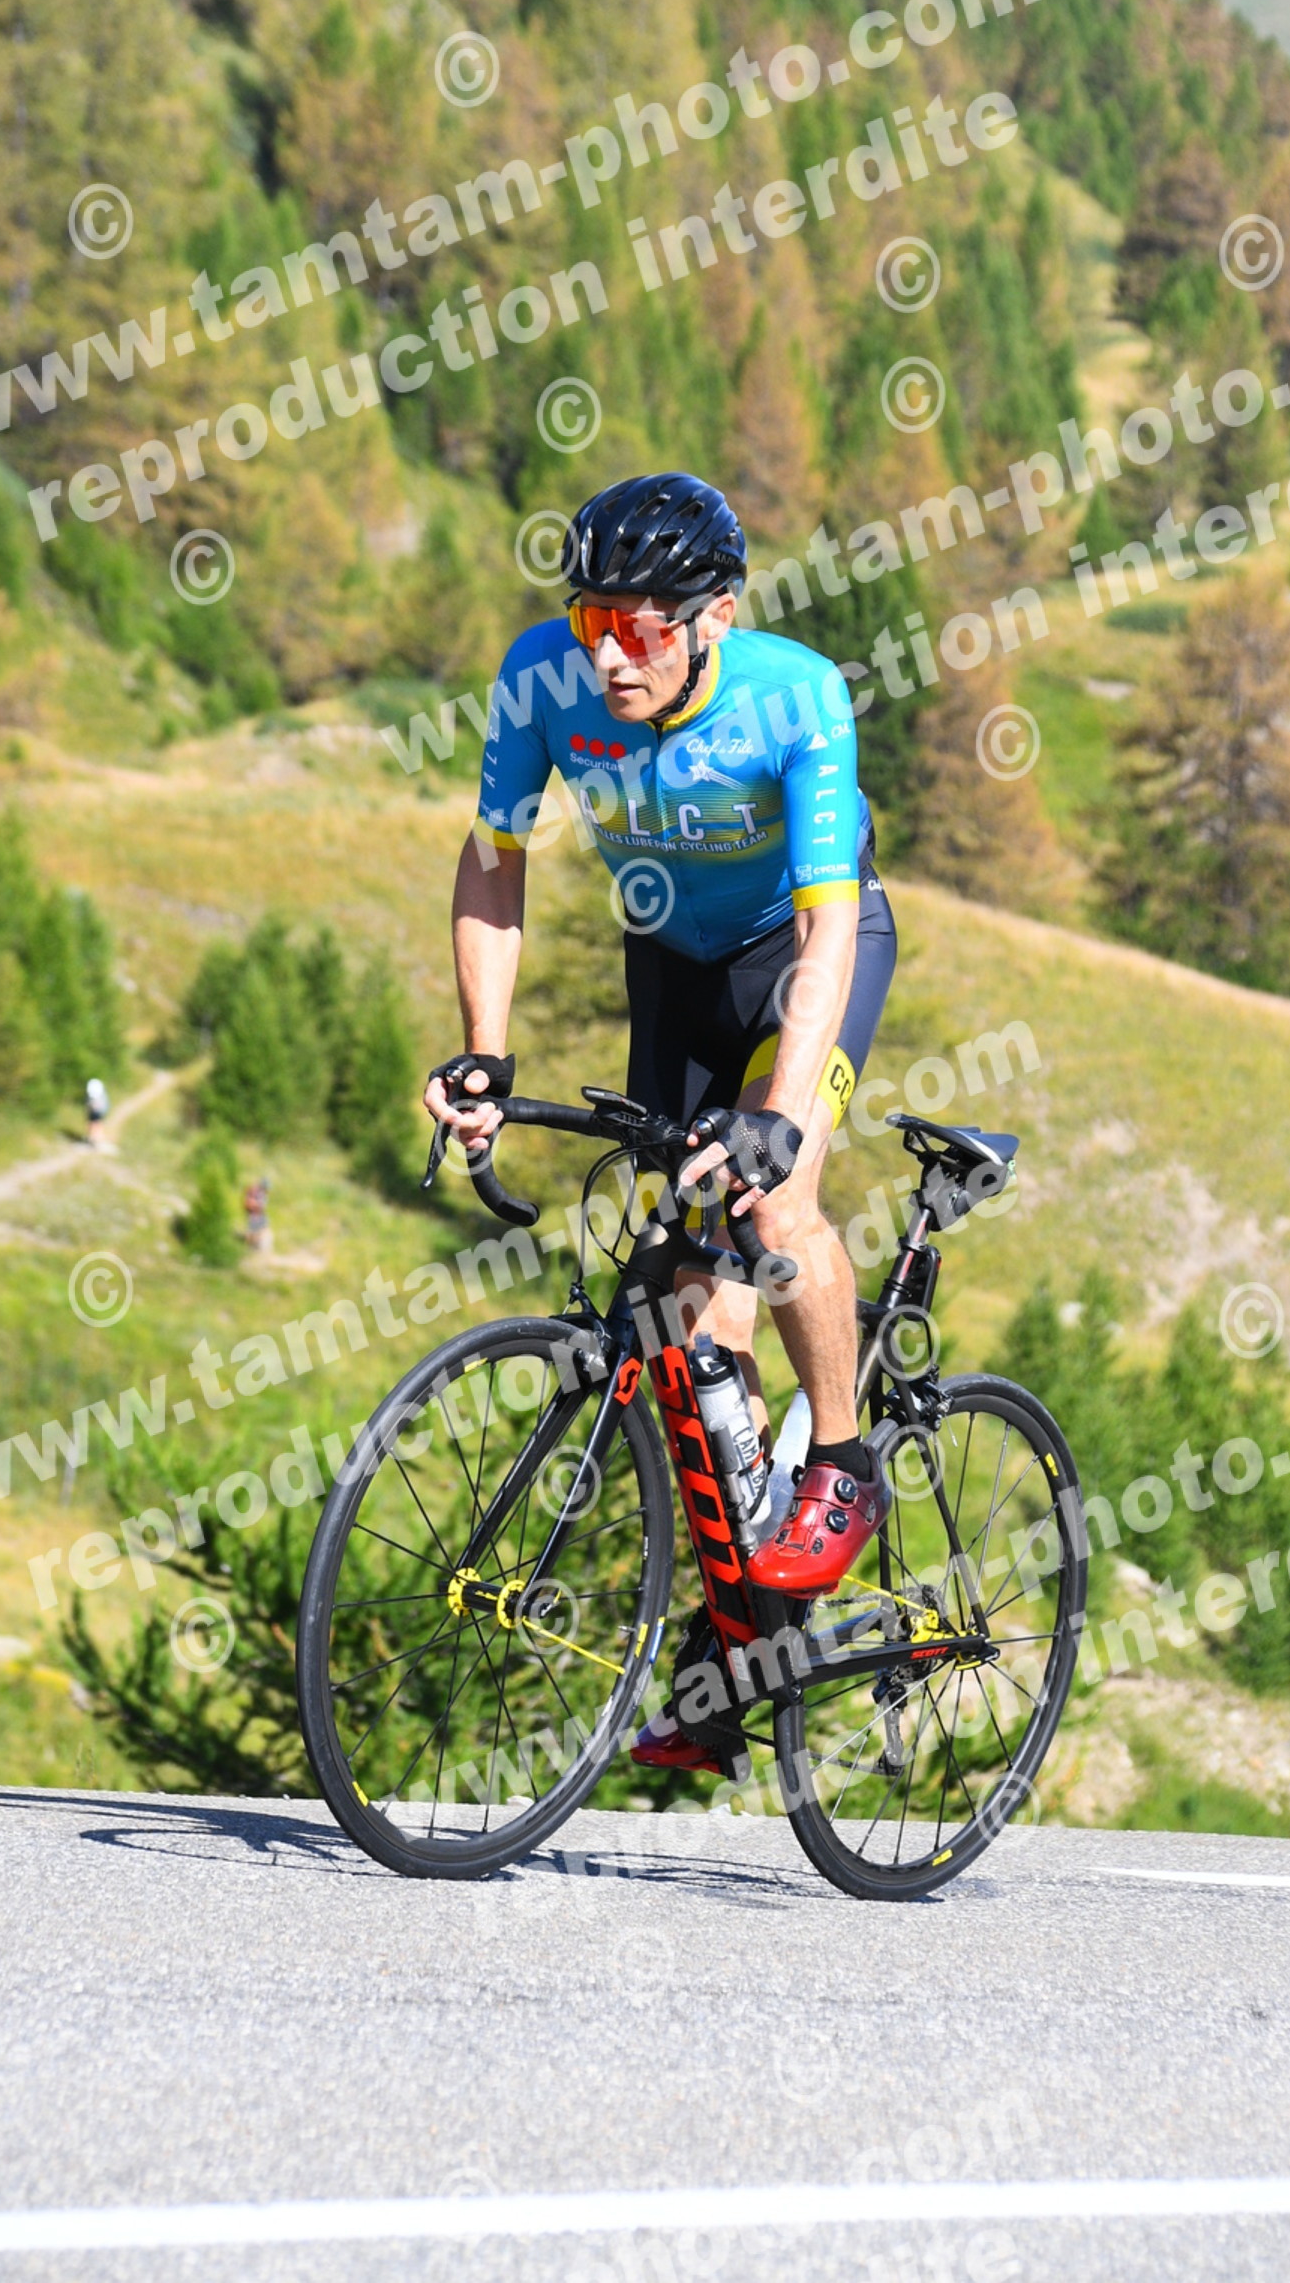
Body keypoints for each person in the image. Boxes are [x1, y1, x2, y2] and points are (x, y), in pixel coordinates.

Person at [424, 472, 898, 1771]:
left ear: (715, 616)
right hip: (674, 969)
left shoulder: (795, 697)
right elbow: (494, 859)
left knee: (770, 1205)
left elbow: (826, 927)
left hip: (807, 955)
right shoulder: (541, 680)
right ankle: (740, 1635)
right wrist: (484, 1052)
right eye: (593, 622)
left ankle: (845, 1460)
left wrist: (780, 1119)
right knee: (695, 1319)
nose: (610, 656)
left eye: (640, 627)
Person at [84, 1077, 110, 1153]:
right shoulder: (91, 1092)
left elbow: (103, 1108)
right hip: (93, 1110)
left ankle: (97, 1139)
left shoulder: (102, 1097)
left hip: (100, 1110)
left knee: (98, 1123)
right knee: (92, 1122)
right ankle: (92, 1138)